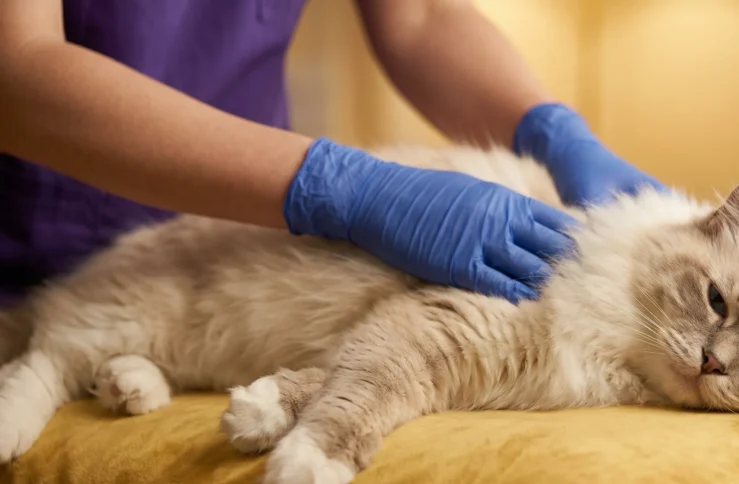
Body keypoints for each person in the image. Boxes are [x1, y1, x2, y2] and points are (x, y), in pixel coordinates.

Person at [0, 0, 663, 306]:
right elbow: (15, 69)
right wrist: (341, 186)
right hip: (32, 256)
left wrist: (552, 130)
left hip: (226, 260)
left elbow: (420, 16)